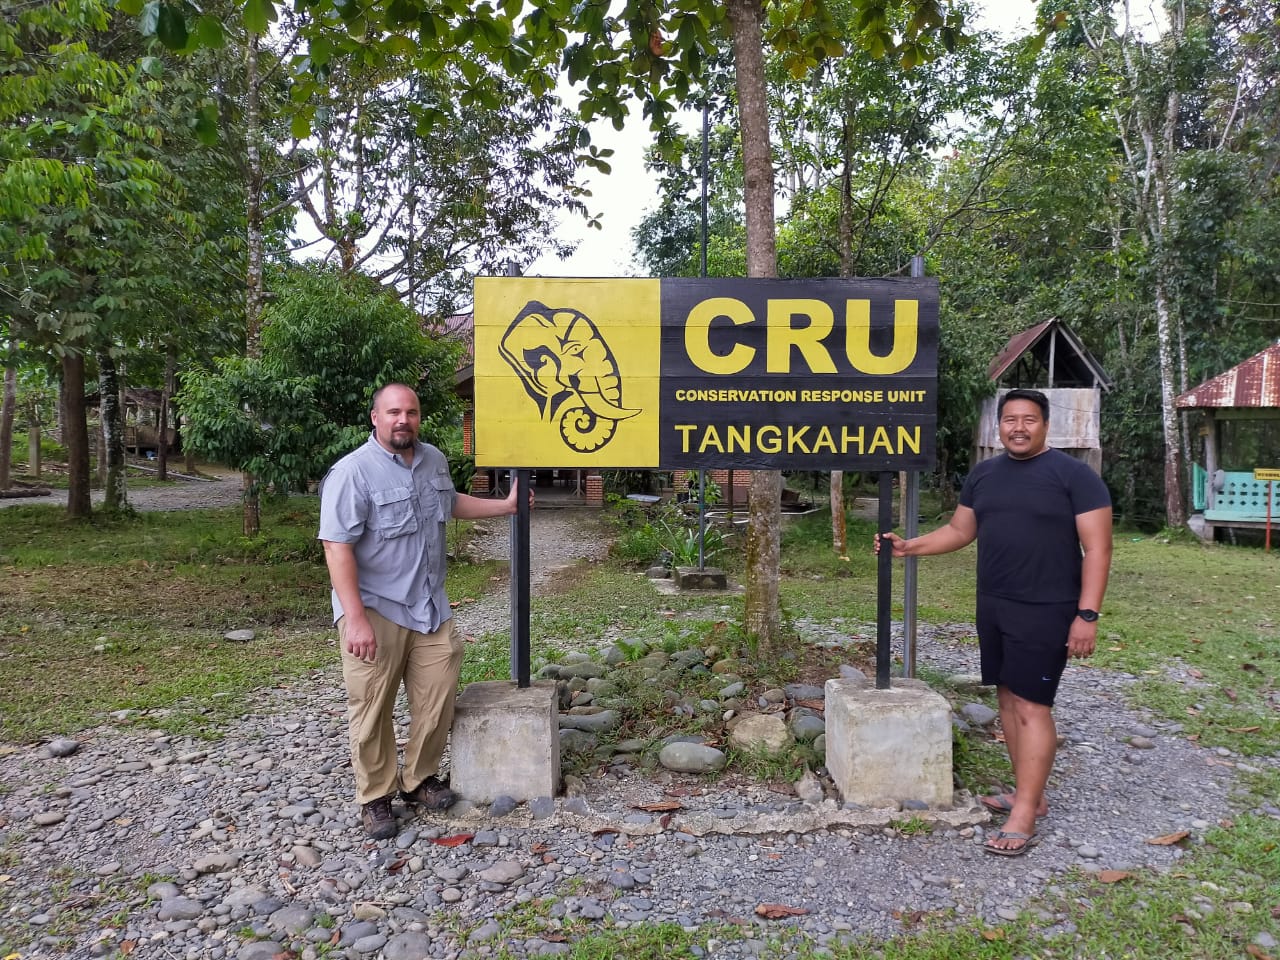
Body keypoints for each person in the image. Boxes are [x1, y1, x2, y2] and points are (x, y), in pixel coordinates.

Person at [876, 388, 1112, 856]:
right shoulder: (984, 475)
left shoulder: (1075, 477)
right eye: (1009, 419)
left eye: (1028, 419)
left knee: (1032, 705)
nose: (1018, 427)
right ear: (997, 426)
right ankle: (1031, 794)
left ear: (1046, 425)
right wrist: (910, 546)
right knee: (1007, 697)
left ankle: (1023, 814)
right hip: (995, 603)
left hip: (1048, 608)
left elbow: (1098, 549)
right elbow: (961, 531)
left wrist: (1087, 615)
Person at [318, 382, 526, 839]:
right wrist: (353, 618)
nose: (402, 420)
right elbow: (337, 547)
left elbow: (450, 505)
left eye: (410, 412)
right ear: (375, 418)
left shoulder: (433, 459)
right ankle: (375, 798)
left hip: (430, 606)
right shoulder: (352, 473)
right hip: (375, 610)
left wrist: (506, 506)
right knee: (372, 709)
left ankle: (417, 781)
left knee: (437, 699)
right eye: (393, 412)